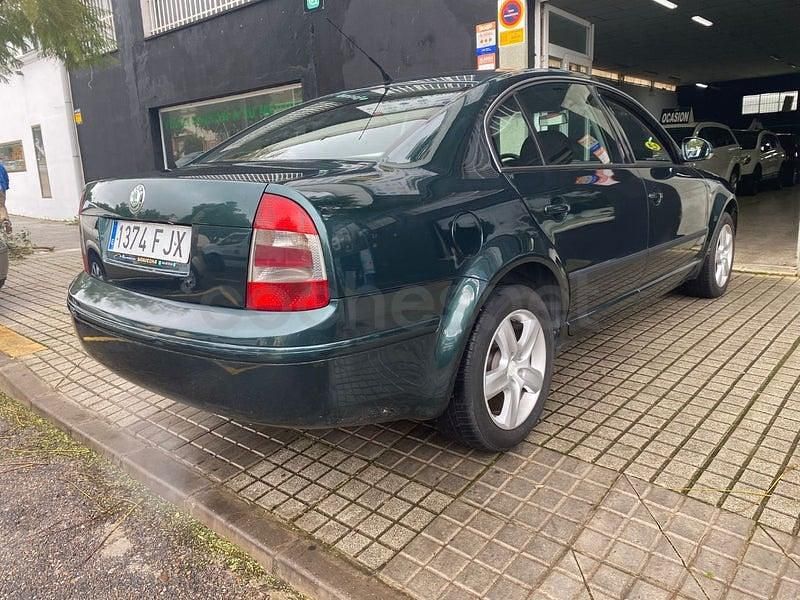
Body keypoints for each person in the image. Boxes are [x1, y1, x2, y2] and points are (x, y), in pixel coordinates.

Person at [0, 161, 10, 234]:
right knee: (2, 206)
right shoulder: (2, 166)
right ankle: (5, 220)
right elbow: (6, 178)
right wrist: (5, 187)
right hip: (1, 189)